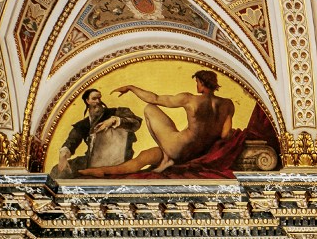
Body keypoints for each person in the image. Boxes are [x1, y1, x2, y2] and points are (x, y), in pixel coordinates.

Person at [80, 70, 235, 177]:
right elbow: (225, 134)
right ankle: (101, 170)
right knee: (146, 157)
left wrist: (131, 87)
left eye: (197, 82)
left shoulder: (190, 99)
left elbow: (154, 98)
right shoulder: (227, 104)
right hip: (198, 152)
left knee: (150, 108)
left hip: (178, 149)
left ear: (201, 83)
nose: (197, 85)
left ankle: (167, 158)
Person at [51, 88, 141, 178]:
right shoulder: (82, 125)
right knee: (57, 171)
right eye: (94, 99)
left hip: (119, 161)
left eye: (99, 98)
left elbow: (136, 122)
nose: (98, 101)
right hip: (91, 162)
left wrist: (113, 120)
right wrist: (63, 155)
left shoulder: (116, 112)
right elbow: (71, 141)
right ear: (87, 101)